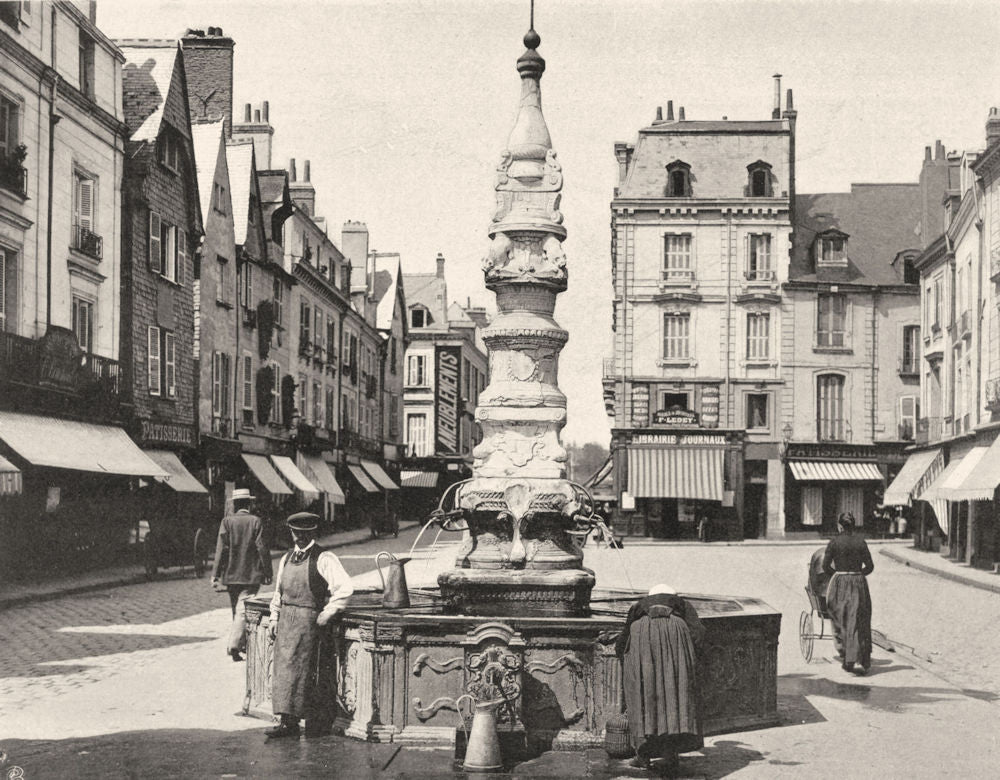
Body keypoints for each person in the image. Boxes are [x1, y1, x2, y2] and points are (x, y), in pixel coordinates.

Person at [266, 512, 354, 739]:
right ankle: (287, 722)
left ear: (312, 532)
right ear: (291, 532)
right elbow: (278, 592)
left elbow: (344, 589)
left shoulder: (323, 558)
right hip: (286, 621)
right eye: (296, 533)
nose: (299, 537)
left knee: (307, 674)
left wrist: (328, 612)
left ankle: (313, 723)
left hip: (308, 623)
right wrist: (274, 617)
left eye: (304, 533)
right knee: (284, 672)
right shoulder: (286, 558)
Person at [615, 584, 706, 774]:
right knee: (673, 700)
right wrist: (689, 659)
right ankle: (670, 755)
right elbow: (698, 634)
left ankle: (642, 756)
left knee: (642, 700)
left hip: (643, 644)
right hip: (676, 647)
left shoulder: (638, 606)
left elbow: (622, 641)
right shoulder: (683, 605)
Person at [211, 488, 272, 662]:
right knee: (243, 610)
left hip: (231, 574)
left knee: (236, 610)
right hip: (251, 574)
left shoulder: (227, 522)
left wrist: (215, 573)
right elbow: (262, 548)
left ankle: (239, 645)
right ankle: (235, 645)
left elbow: (220, 549)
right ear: (249, 504)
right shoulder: (255, 521)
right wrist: (268, 572)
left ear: (235, 505)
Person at [822, 512, 874, 675]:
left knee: (842, 618)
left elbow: (825, 566)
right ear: (853, 526)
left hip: (840, 582)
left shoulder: (834, 542)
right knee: (859, 619)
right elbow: (870, 566)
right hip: (858, 583)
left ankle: (848, 658)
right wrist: (858, 574)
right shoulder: (861, 542)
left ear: (840, 526)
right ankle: (863, 658)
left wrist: (837, 574)